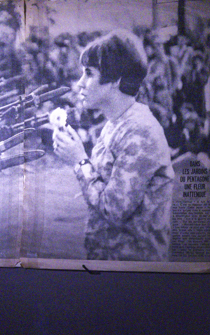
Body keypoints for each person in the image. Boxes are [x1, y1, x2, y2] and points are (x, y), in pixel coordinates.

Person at [53, 29, 175, 261]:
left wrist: (79, 160)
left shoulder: (140, 130)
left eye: (89, 74)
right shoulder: (117, 122)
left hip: (135, 268)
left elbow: (113, 209)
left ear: (115, 80)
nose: (80, 83)